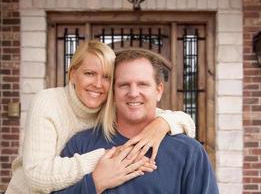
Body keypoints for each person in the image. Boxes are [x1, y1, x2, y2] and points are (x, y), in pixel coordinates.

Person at [6, 41, 195, 194]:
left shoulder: (109, 105)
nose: (98, 84)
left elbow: (166, 116)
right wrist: (105, 158)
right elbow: (37, 176)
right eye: (89, 74)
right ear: (72, 74)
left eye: (106, 77)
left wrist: (164, 123)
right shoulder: (48, 101)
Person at [52, 48, 219, 194]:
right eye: (124, 85)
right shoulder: (81, 144)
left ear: (158, 91)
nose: (133, 93)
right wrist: (95, 184)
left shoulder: (189, 152)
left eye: (143, 84)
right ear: (113, 92)